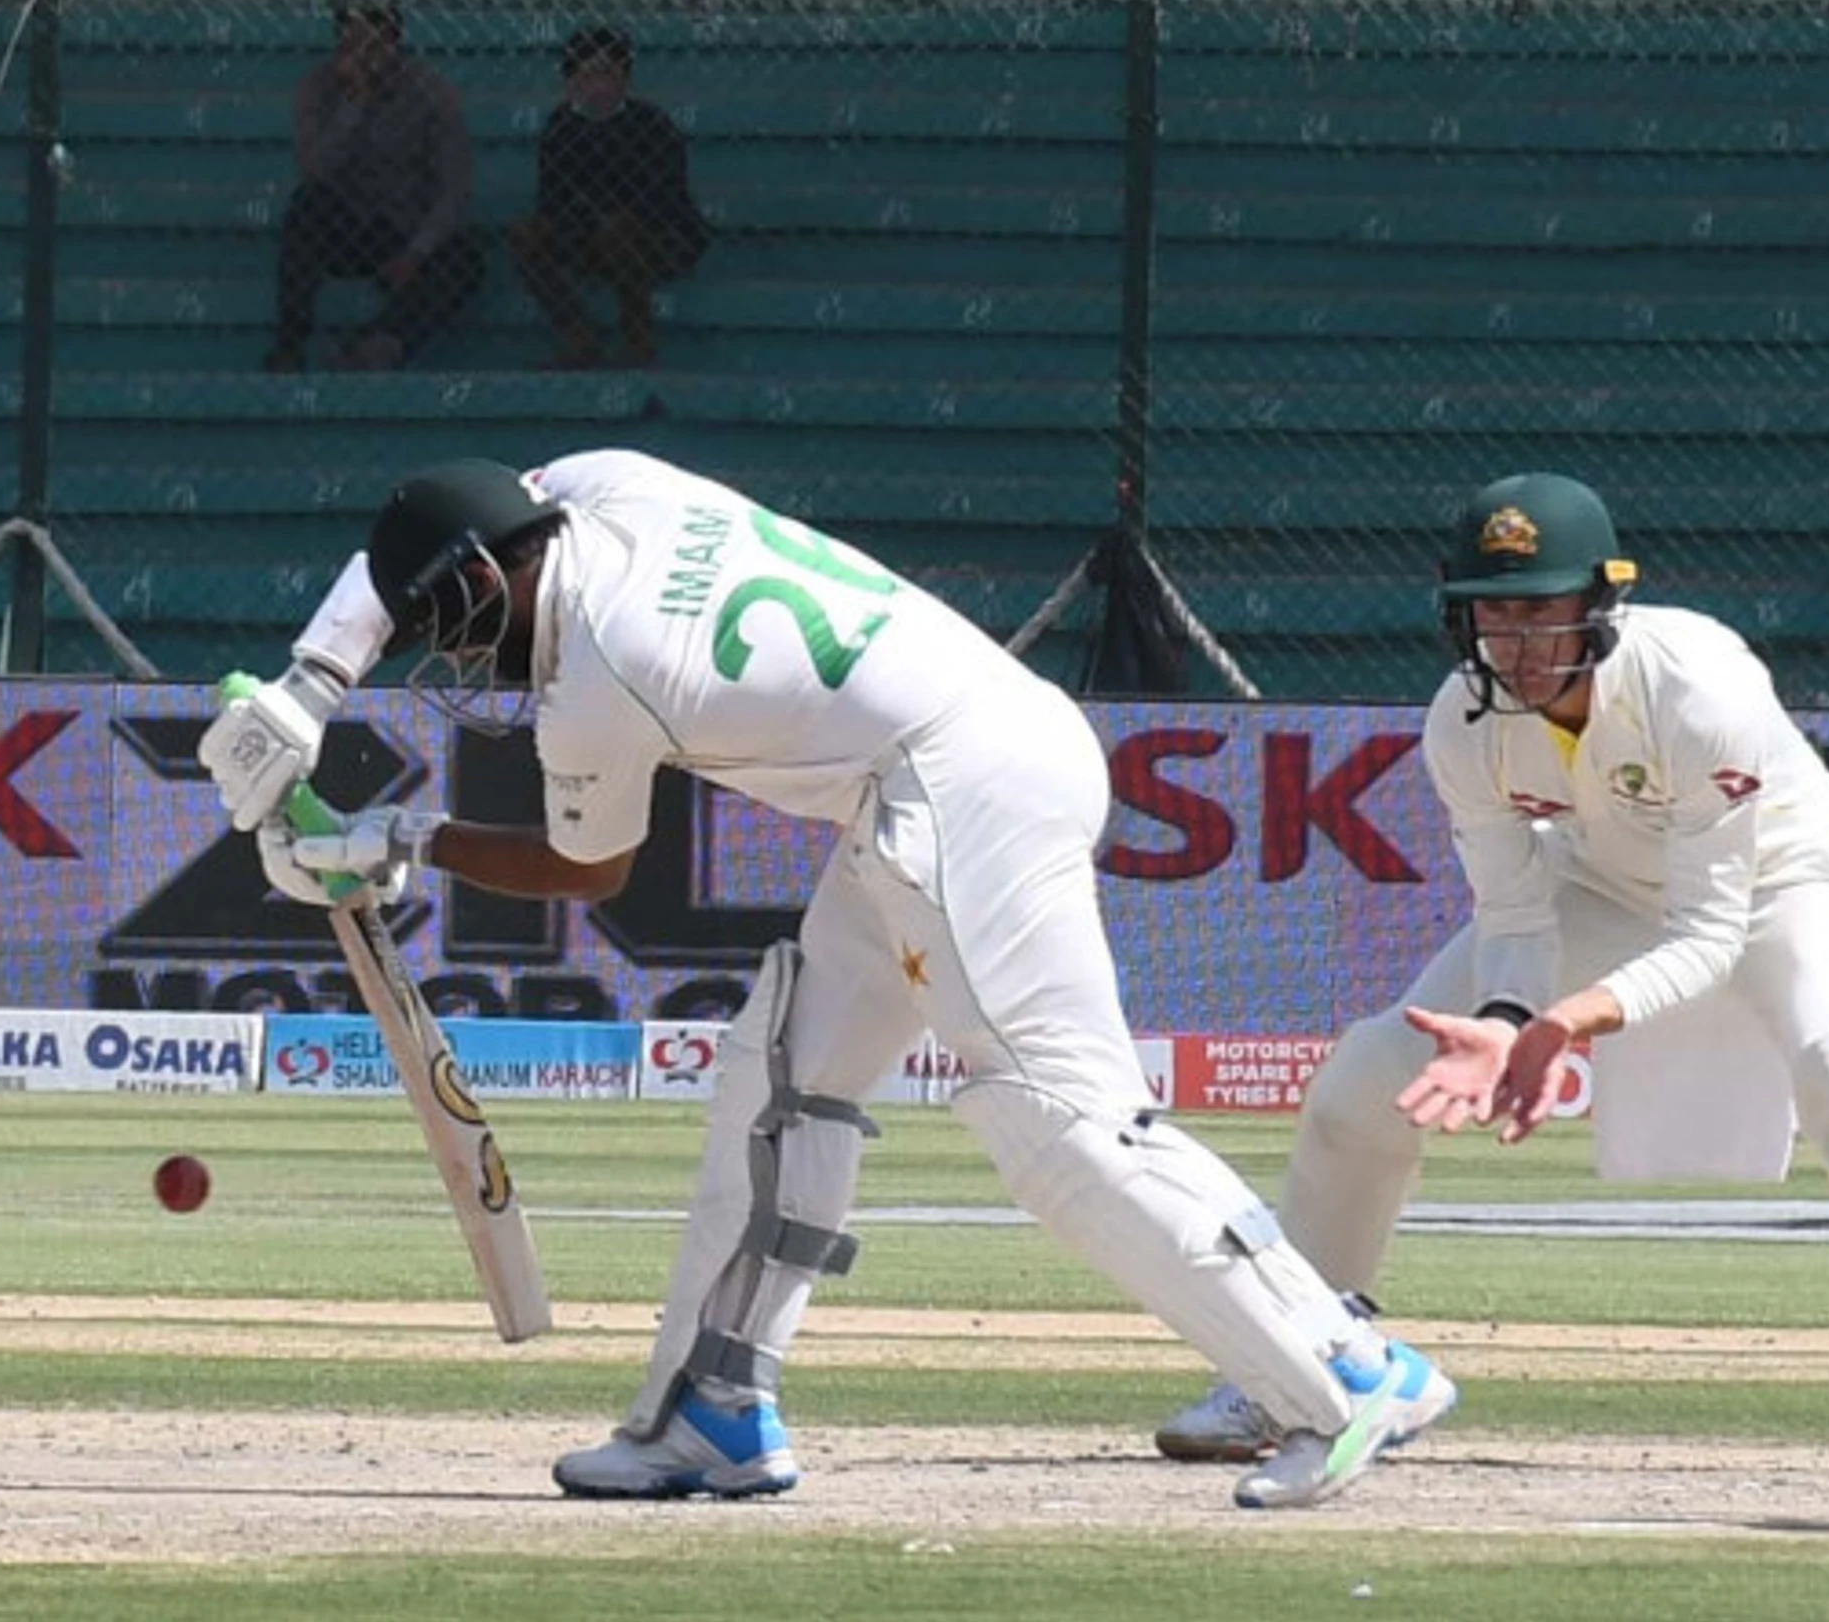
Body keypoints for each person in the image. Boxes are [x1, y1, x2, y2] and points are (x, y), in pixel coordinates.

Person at [198, 450, 1451, 1508]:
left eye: (455, 625)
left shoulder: (601, 680)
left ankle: (1335, 1376)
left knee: (1062, 1122)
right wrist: (312, 686)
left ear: (486, 576)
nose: (461, 657)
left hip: (959, 790)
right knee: (781, 1082)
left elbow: (590, 870)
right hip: (940, 764)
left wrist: (392, 840)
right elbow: (401, 554)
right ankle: (712, 1414)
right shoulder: (602, 483)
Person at [1148, 474, 1829, 1482]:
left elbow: (1710, 931)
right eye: (1492, 612)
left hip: (1784, 884)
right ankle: (1301, 1368)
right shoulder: (1463, 724)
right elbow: (1519, 914)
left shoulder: (1700, 685)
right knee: (1365, 1082)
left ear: (1600, 604)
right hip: (1600, 884)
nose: (1515, 643)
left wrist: (1562, 1021)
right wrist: (1498, 1018)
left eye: (1540, 611)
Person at [266, 0, 482, 374]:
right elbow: (315, 169)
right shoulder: (318, 88)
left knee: (467, 256)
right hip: (346, 224)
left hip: (404, 227)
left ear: (395, 43)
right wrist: (355, 103)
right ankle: (289, 345)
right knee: (307, 203)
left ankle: (379, 343)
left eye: (375, 44)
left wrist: (418, 250)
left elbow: (455, 186)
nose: (365, 56)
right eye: (353, 45)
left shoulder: (431, 91)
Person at [507, 25, 708, 369]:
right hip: (585, 234)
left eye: (606, 73)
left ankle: (638, 336)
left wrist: (602, 213)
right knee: (525, 234)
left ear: (624, 79)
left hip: (654, 238)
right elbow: (552, 200)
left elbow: (663, 200)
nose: (596, 86)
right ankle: (577, 332)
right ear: (570, 82)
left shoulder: (651, 123)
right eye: (585, 75)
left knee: (619, 229)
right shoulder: (561, 127)